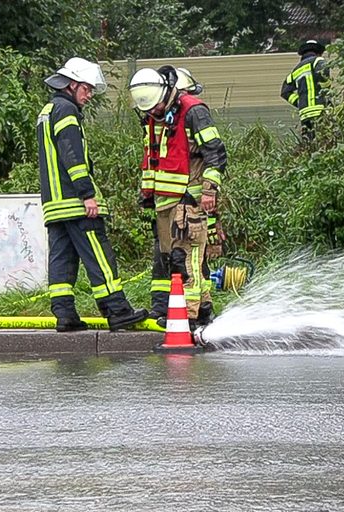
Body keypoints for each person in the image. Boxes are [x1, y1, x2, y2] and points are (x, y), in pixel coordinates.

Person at [37, 57, 148, 332]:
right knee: (99, 255)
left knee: (61, 259)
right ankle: (117, 310)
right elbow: (72, 156)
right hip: (75, 201)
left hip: (54, 204)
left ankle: (65, 315)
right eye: (86, 89)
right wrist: (87, 194)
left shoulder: (48, 109)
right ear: (72, 84)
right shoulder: (66, 111)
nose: (89, 95)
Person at [129, 66, 227, 328]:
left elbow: (216, 153)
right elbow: (155, 159)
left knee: (187, 259)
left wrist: (209, 191)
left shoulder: (194, 112)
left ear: (167, 92)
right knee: (171, 258)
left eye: (156, 106)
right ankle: (201, 310)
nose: (154, 112)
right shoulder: (157, 116)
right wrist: (148, 195)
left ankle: (192, 316)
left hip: (189, 200)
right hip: (165, 201)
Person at [280, 39, 330, 142]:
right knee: (325, 143)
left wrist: (299, 102)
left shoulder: (296, 70)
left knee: (309, 143)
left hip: (305, 114)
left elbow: (285, 92)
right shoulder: (318, 61)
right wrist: (326, 90)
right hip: (321, 110)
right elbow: (324, 72)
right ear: (318, 52)